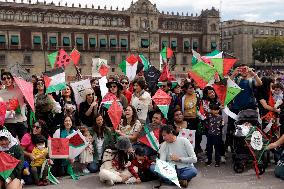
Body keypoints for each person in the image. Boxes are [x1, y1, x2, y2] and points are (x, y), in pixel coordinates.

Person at [227, 65, 262, 151]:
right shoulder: (237, 80)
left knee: (250, 128)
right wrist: (234, 74)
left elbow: (260, 83)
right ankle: (232, 146)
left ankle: (251, 145)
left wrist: (253, 73)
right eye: (242, 69)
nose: (243, 71)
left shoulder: (251, 81)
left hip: (249, 109)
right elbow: (228, 84)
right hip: (236, 108)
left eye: (245, 69)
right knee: (233, 128)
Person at [0, 72, 27, 141]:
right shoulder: (1, 93)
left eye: (8, 78)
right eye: (4, 78)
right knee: (11, 143)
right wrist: (7, 108)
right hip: (9, 122)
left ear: (12, 79)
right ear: (2, 81)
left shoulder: (20, 89)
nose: (6, 80)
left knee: (24, 142)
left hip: (21, 120)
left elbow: (27, 101)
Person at [181, 82, 202, 153]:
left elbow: (200, 106)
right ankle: (188, 152)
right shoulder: (183, 98)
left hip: (196, 119)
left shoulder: (197, 95)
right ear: (186, 89)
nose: (192, 89)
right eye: (190, 88)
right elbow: (180, 109)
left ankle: (196, 151)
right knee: (189, 136)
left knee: (197, 136)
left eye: (192, 88)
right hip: (187, 120)